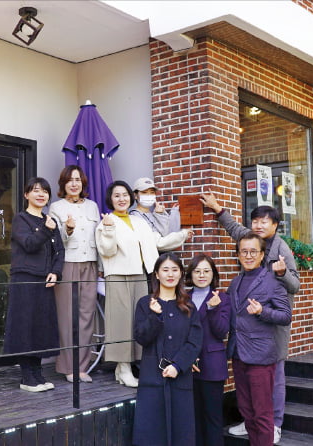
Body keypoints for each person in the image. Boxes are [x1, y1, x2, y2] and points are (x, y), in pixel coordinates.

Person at [200, 189, 299, 444]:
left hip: (271, 324)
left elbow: (295, 286)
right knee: (250, 393)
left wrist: (281, 274)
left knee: (273, 374)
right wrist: (218, 208)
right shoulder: (247, 246)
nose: (258, 225)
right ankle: (252, 422)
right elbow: (234, 229)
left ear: (275, 225)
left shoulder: (281, 249)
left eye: (264, 221)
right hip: (245, 334)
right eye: (255, 221)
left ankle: (274, 423)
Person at [96, 180, 192, 388]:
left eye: (125, 195)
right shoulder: (106, 221)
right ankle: (122, 367)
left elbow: (158, 243)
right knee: (120, 322)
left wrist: (182, 235)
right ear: (110, 200)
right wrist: (110, 229)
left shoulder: (138, 222)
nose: (122, 199)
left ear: (131, 197)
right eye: (116, 195)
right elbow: (107, 251)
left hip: (141, 275)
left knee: (139, 321)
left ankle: (133, 364)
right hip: (118, 275)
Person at [227, 232, 291, 446]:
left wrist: (263, 311)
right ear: (238, 255)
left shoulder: (272, 281)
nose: (248, 255)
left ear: (262, 254)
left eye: (253, 251)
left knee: (262, 414)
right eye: (244, 251)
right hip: (238, 354)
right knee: (246, 411)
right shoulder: (235, 282)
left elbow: (285, 315)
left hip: (261, 357)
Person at [132, 253, 202, 446]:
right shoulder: (145, 304)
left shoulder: (188, 306)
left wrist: (178, 366)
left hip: (180, 378)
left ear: (180, 274)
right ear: (156, 274)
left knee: (181, 432)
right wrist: (154, 316)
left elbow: (194, 342)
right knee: (151, 433)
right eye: (165, 270)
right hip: (152, 378)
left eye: (174, 270)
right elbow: (141, 338)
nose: (170, 274)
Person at [4, 177, 64, 392]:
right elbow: (29, 244)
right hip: (25, 279)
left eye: (45, 191)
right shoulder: (21, 219)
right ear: (26, 195)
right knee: (25, 327)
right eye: (35, 190)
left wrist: (56, 272)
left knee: (40, 327)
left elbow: (60, 251)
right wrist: (45, 230)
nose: (41, 195)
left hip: (45, 281)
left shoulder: (50, 220)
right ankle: (26, 376)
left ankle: (38, 373)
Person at [49, 166, 100, 383]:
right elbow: (55, 241)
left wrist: (102, 267)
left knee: (87, 316)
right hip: (67, 264)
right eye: (69, 180)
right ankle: (68, 367)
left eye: (77, 180)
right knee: (67, 317)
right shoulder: (56, 207)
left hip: (90, 264)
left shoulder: (93, 206)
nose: (74, 184)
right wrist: (68, 229)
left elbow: (99, 238)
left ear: (83, 183)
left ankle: (82, 368)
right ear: (63, 184)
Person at [187, 254, 230, 446]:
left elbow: (221, 332)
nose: (202, 275)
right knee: (192, 418)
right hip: (188, 367)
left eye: (206, 271)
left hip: (212, 367)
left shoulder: (222, 298)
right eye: (197, 271)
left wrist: (213, 310)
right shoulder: (183, 298)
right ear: (190, 274)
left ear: (213, 274)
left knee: (212, 419)